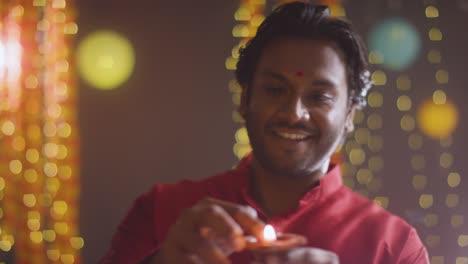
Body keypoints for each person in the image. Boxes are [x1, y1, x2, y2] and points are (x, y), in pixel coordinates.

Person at [101, 2, 429, 263]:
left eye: (318, 97)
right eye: (275, 89)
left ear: (349, 116)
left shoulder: (394, 248)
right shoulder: (162, 212)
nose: (293, 113)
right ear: (245, 100)